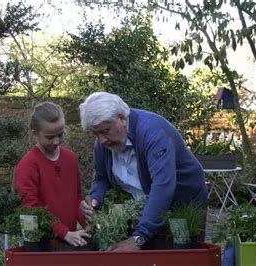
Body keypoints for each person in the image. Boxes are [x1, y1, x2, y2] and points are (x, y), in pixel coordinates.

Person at [79, 92, 208, 251]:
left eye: (105, 131)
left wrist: (139, 237)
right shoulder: (104, 145)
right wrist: (95, 199)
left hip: (183, 204)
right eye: (95, 134)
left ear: (122, 118)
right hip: (149, 208)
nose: (101, 140)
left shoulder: (151, 132)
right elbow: (101, 178)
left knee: (180, 257)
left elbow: (163, 186)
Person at [14, 101, 89, 247]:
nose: (56, 141)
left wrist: (90, 224)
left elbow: (76, 197)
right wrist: (63, 232)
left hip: (69, 238)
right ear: (35, 133)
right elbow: (30, 207)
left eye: (60, 135)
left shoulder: (70, 158)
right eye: (49, 137)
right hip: (40, 242)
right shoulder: (28, 165)